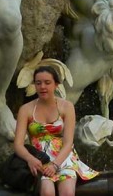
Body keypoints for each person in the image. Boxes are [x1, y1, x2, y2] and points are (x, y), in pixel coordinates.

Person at [12, 65, 97, 195]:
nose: (42, 87)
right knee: (47, 192)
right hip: (40, 158)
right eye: (38, 83)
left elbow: (69, 142)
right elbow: (18, 144)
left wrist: (55, 165)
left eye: (47, 82)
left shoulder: (67, 106)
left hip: (63, 156)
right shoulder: (26, 109)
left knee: (68, 192)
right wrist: (30, 159)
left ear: (56, 85)